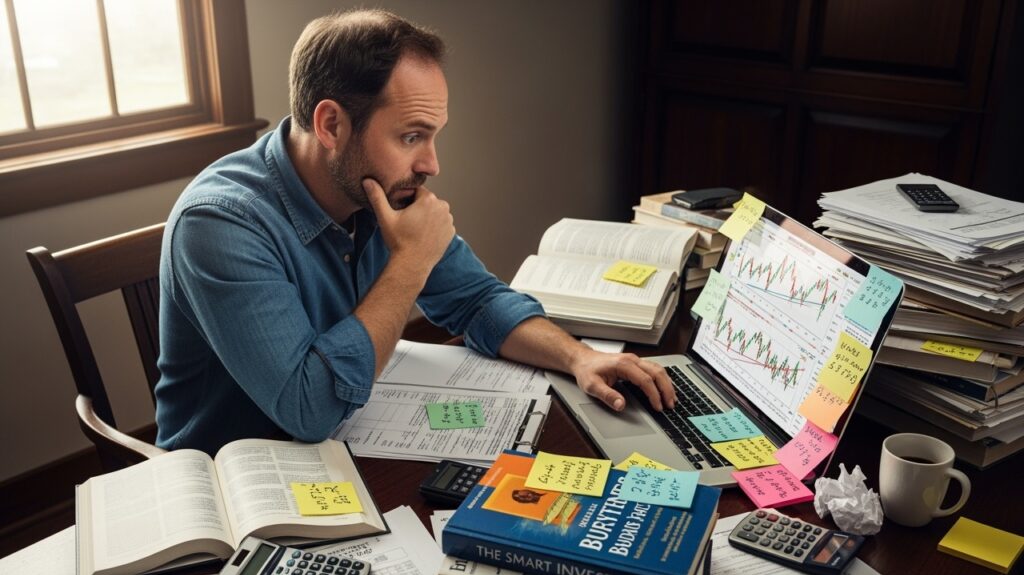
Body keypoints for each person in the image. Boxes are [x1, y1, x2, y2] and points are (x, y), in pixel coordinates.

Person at [155, 9, 675, 455]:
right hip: (233, 492)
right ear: (331, 125)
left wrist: (580, 358)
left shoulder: (375, 187)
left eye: (432, 137)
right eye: (411, 137)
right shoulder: (220, 223)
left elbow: (475, 301)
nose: (430, 163)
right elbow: (309, 408)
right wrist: (409, 262)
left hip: (344, 447)